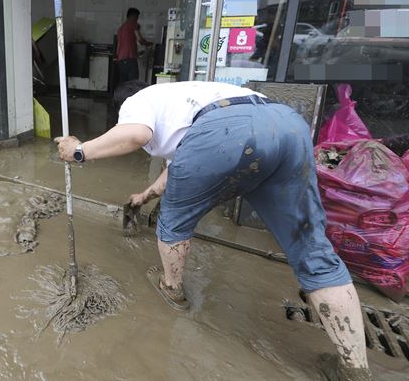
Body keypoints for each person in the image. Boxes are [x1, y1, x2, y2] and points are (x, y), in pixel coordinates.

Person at [55, 80, 372, 380]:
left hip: (225, 131)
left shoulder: (139, 100)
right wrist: (145, 196)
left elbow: (135, 134)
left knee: (174, 221)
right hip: (286, 124)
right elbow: (179, 170)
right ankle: (355, 368)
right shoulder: (186, 99)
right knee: (310, 245)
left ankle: (172, 289)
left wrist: (80, 151)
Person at [115, 8, 152, 83]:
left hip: (121, 60)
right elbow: (139, 39)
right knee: (133, 82)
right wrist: (148, 44)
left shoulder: (121, 28)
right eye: (137, 16)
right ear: (133, 16)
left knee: (123, 83)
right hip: (129, 58)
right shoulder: (133, 24)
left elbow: (120, 45)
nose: (137, 19)